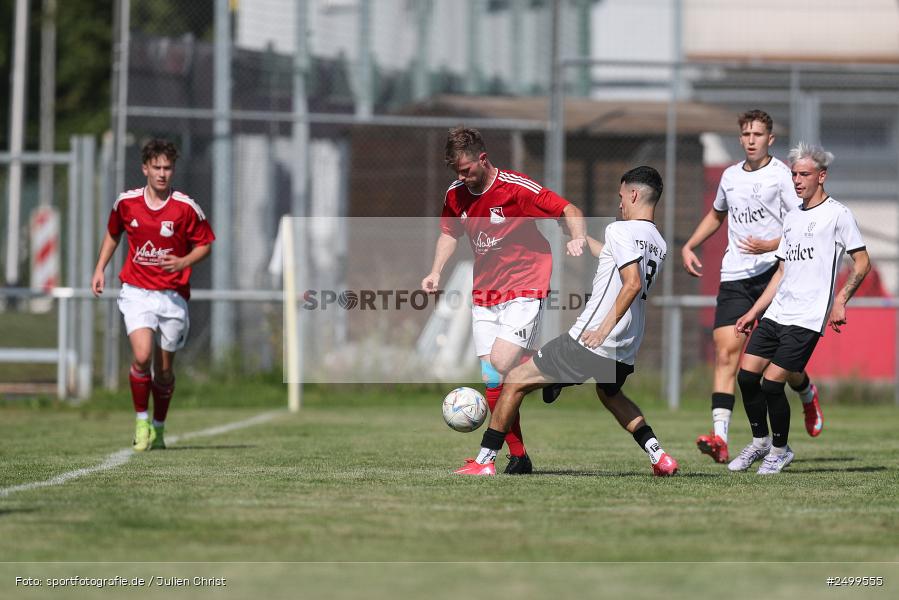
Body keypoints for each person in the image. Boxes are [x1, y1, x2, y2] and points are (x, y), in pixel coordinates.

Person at [454, 166, 678, 477]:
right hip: (626, 347)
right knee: (611, 395)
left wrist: (601, 330)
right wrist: (583, 239)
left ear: (634, 194)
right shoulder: (658, 242)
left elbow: (632, 283)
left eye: (621, 196)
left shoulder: (620, 229)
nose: (620, 203)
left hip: (591, 340)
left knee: (514, 382)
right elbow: (613, 260)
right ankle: (660, 457)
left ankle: (484, 460)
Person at [422, 127, 586, 474]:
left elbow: (568, 208)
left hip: (526, 284)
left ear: (483, 159)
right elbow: (448, 234)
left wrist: (578, 237)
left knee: (501, 361)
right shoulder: (456, 194)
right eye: (456, 172)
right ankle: (520, 457)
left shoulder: (515, 188)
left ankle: (556, 370)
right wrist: (436, 271)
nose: (462, 177)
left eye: (466, 170)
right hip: (485, 291)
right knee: (493, 377)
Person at [681, 109, 823, 465]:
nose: (750, 140)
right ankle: (720, 438)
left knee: (780, 366)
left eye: (757, 134)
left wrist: (771, 244)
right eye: (745, 134)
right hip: (735, 277)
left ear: (770, 139)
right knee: (726, 354)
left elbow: (799, 222)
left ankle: (805, 391)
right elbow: (717, 214)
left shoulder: (781, 177)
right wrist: (690, 244)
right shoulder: (729, 176)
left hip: (773, 276)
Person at [730, 142, 869, 474]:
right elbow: (781, 272)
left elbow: (862, 263)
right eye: (793, 174)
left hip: (808, 316)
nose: (797, 180)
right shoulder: (792, 218)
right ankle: (760, 443)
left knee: (772, 384)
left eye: (804, 174)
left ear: (821, 176)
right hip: (778, 311)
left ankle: (780, 451)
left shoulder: (838, 214)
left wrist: (840, 300)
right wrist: (754, 312)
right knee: (747, 377)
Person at [91, 139, 215, 451]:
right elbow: (113, 232)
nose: (162, 173)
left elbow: (205, 244)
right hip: (136, 292)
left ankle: (159, 427)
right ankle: (141, 420)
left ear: (173, 170)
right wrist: (100, 268)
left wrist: (184, 261)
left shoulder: (186, 208)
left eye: (167, 167)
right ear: (145, 168)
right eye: (156, 167)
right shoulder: (127, 203)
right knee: (142, 356)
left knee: (164, 370)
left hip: (171, 297)